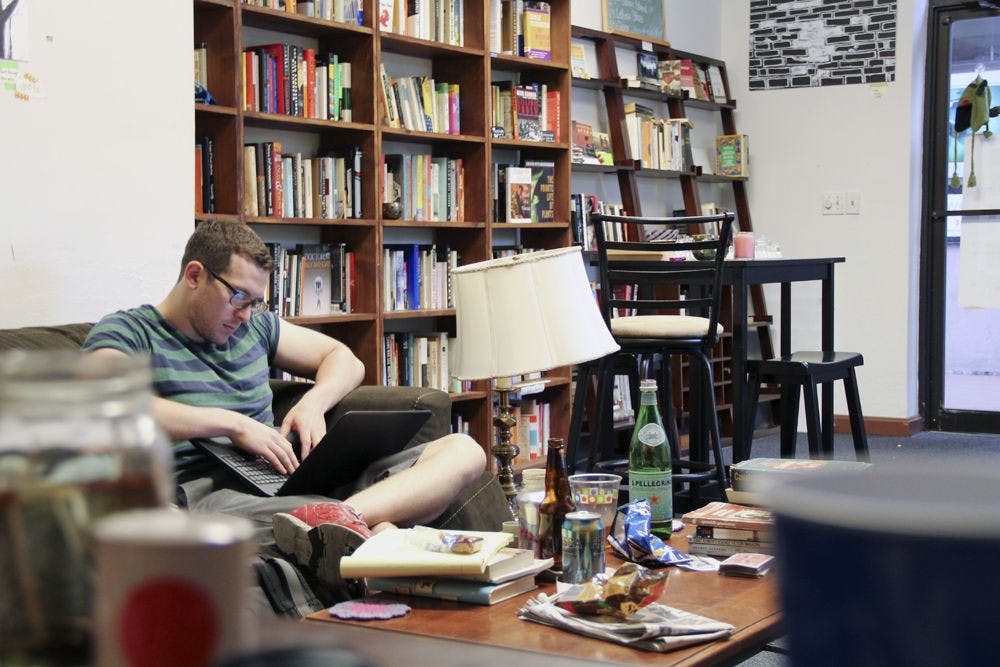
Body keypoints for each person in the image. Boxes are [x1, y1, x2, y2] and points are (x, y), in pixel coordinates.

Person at [81, 220, 487, 596]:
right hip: (205, 492)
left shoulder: (255, 327)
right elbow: (102, 399)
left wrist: (314, 402)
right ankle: (355, 525)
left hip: (284, 481)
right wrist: (231, 424)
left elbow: (345, 359)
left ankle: (338, 519)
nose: (244, 315)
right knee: (380, 526)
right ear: (194, 275)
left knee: (463, 451)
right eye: (237, 297)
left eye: (254, 302)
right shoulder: (131, 331)